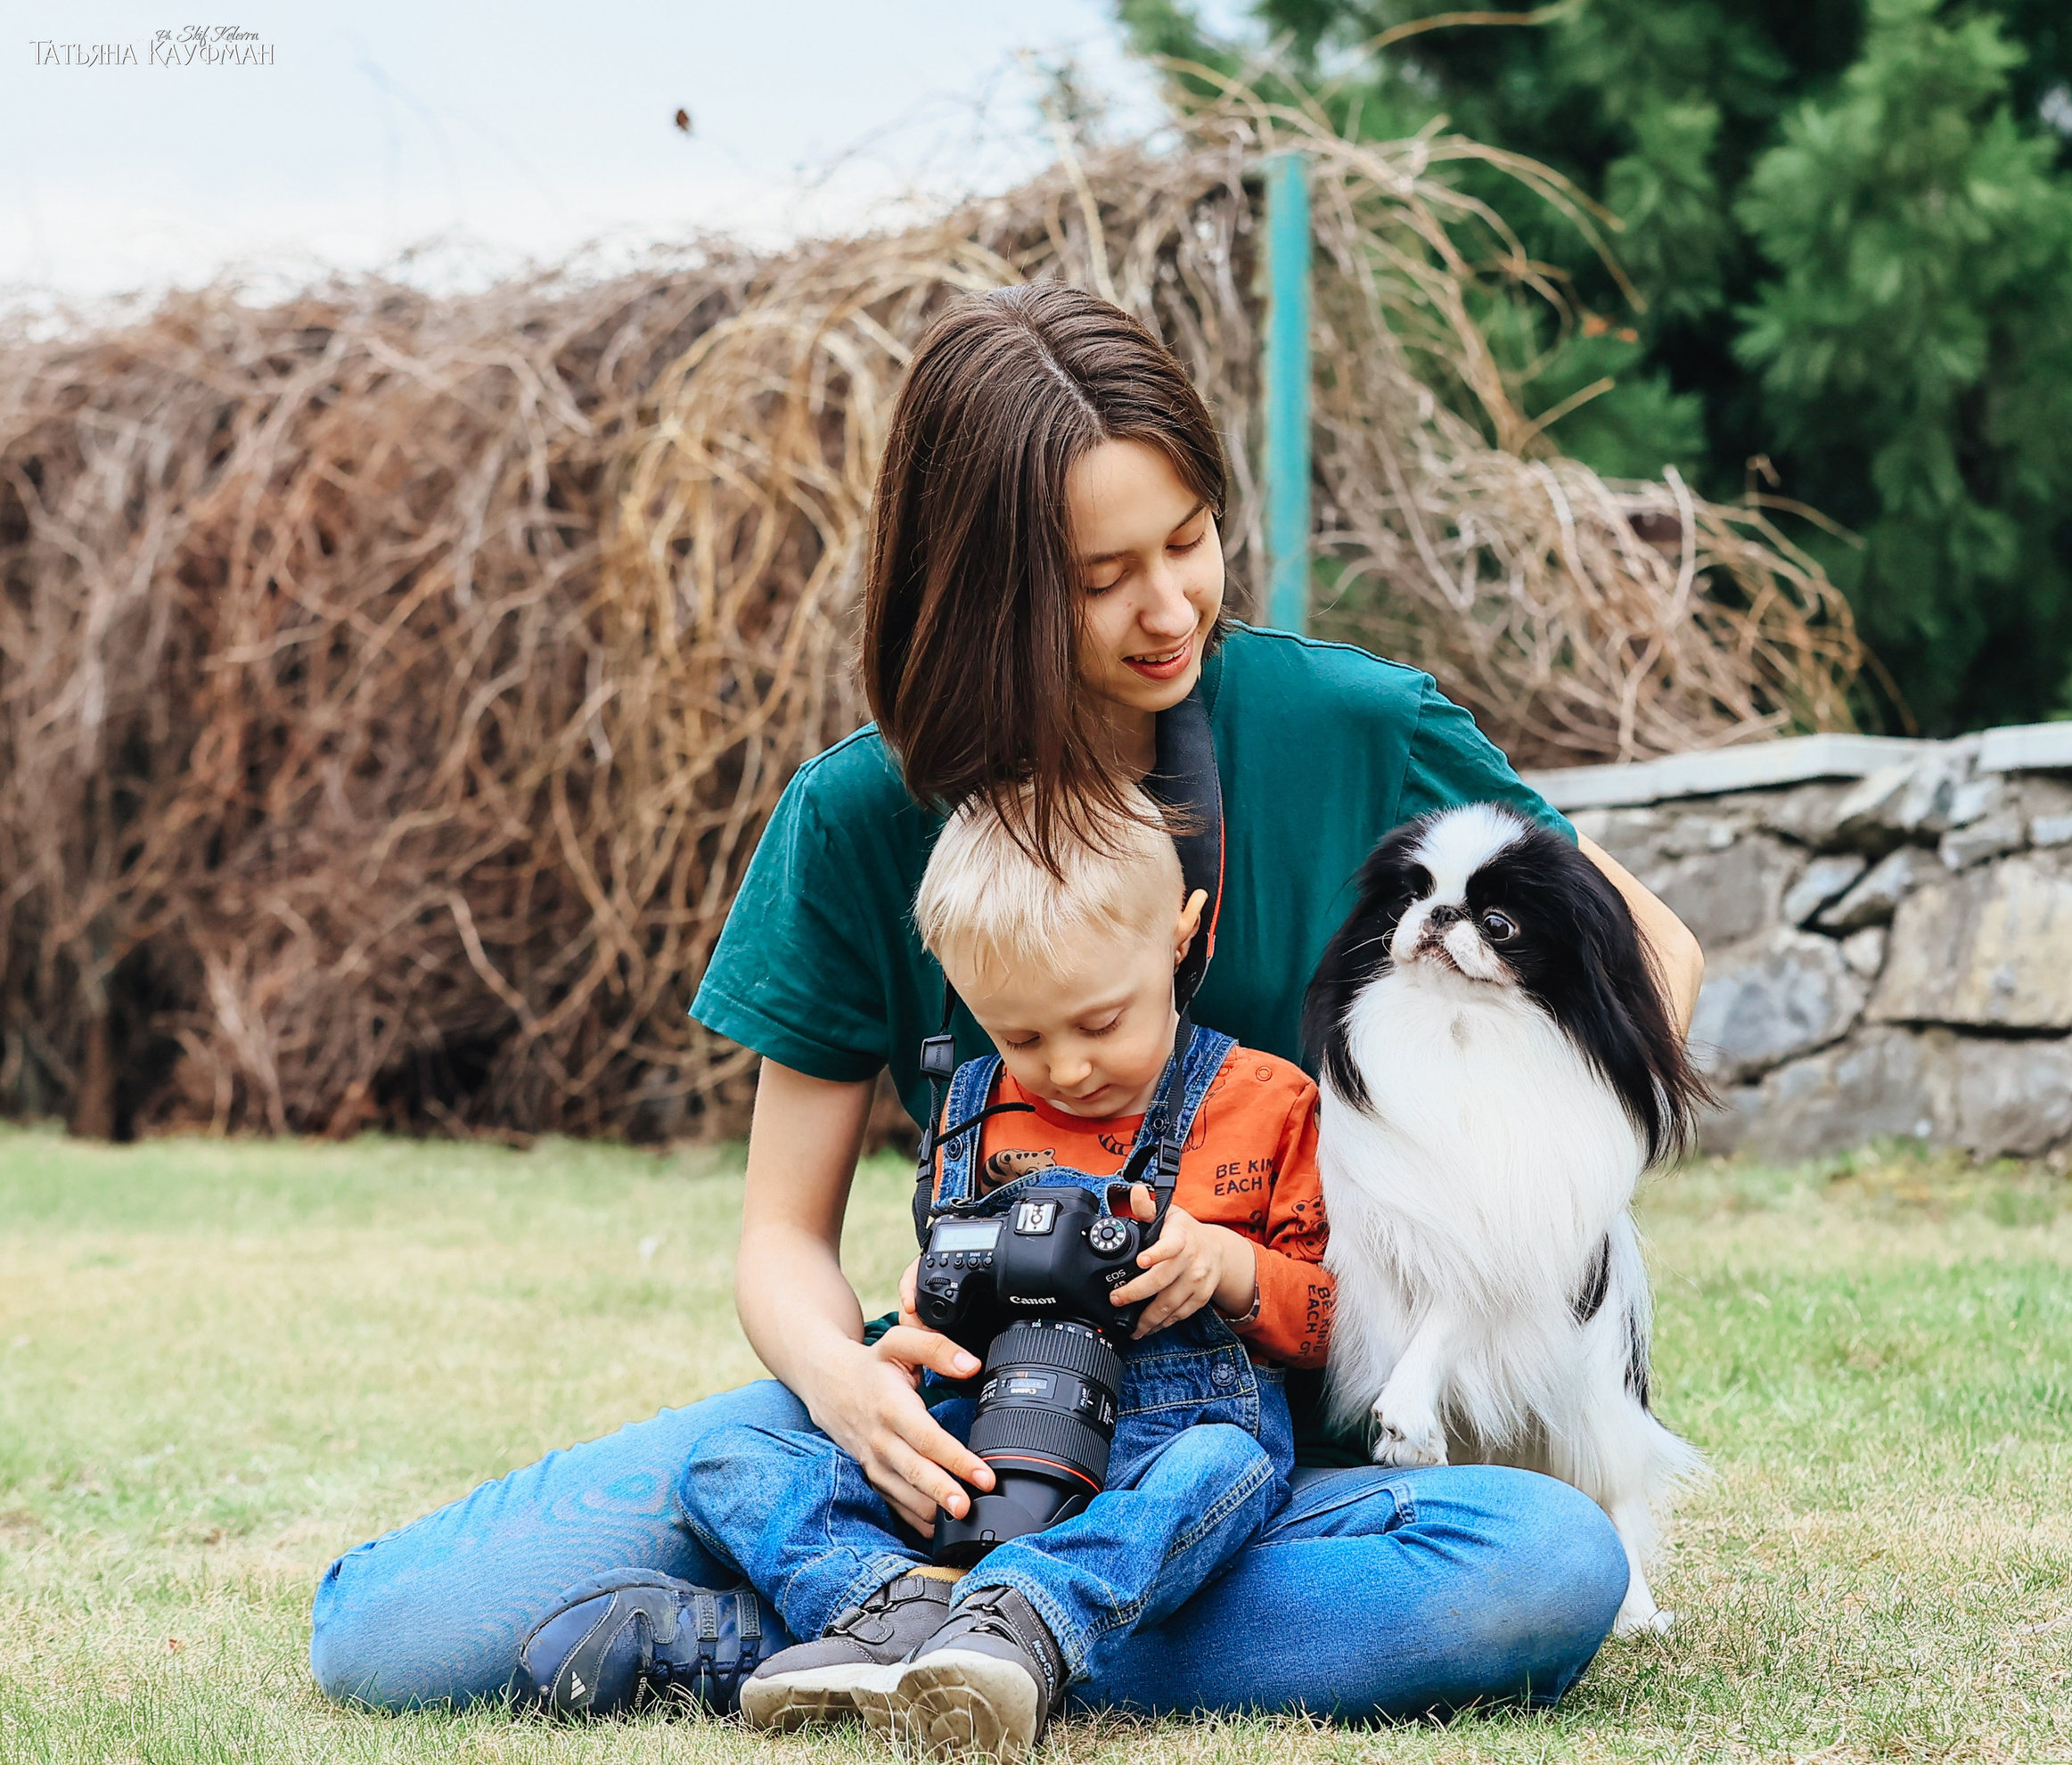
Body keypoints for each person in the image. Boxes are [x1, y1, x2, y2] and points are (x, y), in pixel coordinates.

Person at [307, 282, 1704, 1719]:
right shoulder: (855, 816)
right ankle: (970, 1614)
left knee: (1545, 1565)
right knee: (386, 1634)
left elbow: (1652, 956)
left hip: (1251, 1462)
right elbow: (781, 1236)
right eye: (1103, 576)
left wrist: (1490, 1198)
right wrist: (848, 1387)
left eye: (1190, 539)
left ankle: (851, 1628)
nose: (1172, 608)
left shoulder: (1356, 728)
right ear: (988, 584)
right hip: (958, 1428)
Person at [658, 782, 1333, 1760]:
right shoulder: (971, 1105)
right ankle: (897, 1610)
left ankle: (1021, 1623)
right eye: (1020, 1037)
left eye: (1100, 1023)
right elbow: (936, 1290)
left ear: (1181, 934)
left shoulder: (1266, 1102)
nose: (1065, 1069)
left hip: (1164, 1441)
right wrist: (926, 1316)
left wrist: (1226, 1266)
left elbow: (1331, 1323)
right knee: (726, 1461)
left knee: (1221, 1470)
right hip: (974, 1440)